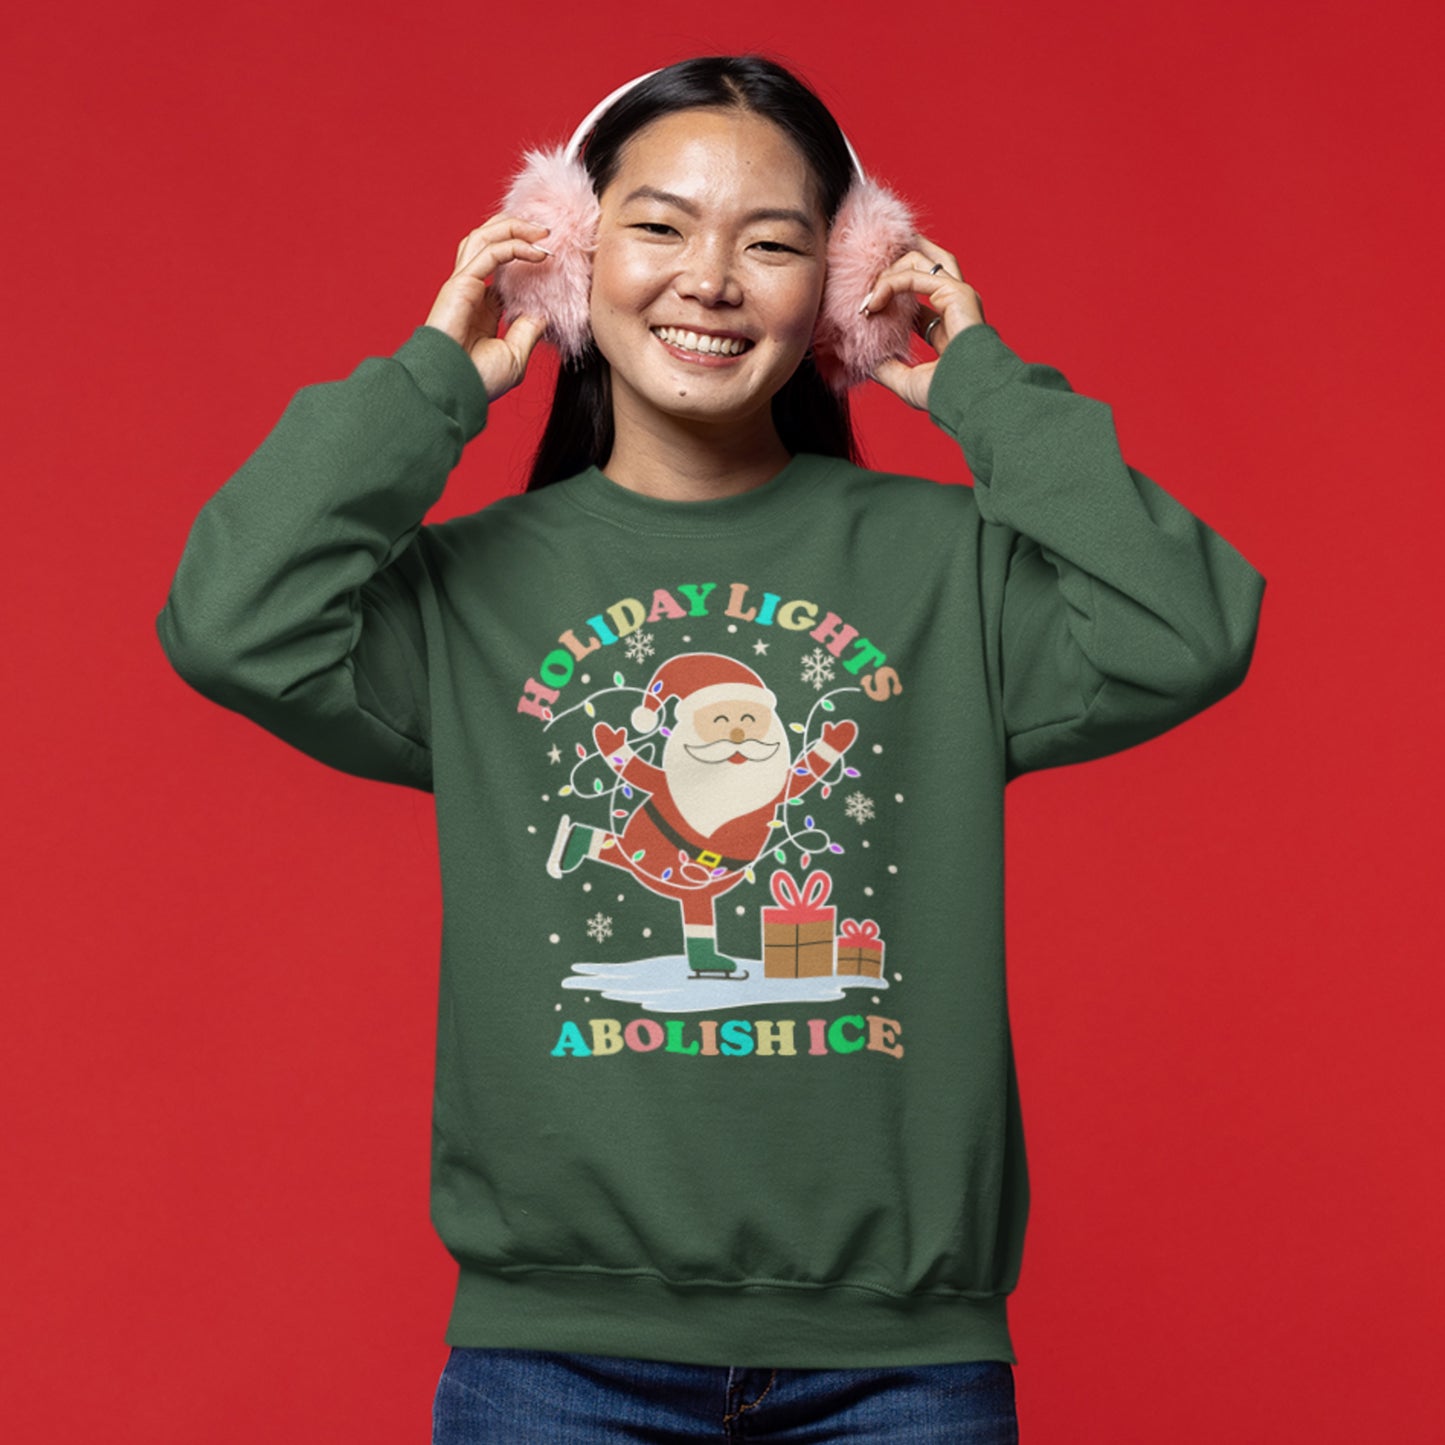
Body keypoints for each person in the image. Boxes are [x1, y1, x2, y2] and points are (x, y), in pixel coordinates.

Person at [155, 54, 1266, 1444]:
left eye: (776, 241)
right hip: (554, 1359)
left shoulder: (944, 570)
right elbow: (228, 619)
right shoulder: (473, 592)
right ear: (568, 250)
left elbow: (1190, 627)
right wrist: (437, 374)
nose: (712, 278)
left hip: (901, 1369)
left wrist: (980, 383)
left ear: (841, 284)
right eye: (659, 225)